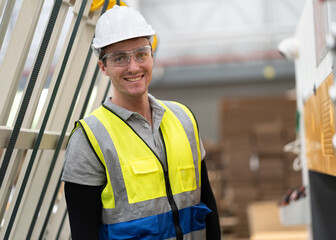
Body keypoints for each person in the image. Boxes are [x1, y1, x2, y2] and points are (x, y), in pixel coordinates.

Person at [62, 5, 220, 240]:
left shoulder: (183, 119)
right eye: (120, 58)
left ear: (151, 56)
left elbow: (208, 206)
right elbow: (83, 232)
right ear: (103, 67)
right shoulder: (89, 138)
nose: (134, 66)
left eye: (141, 54)